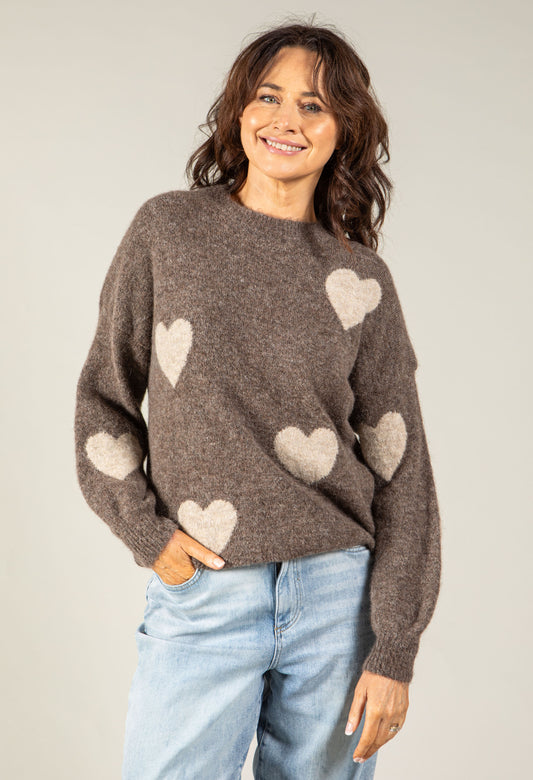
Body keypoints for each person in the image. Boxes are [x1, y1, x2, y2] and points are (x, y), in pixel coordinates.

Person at [74, 19, 442, 780]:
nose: (285, 120)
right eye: (268, 97)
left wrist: (394, 649)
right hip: (209, 585)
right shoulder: (168, 231)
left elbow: (402, 471)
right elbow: (104, 401)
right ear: (240, 110)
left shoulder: (361, 280)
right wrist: (148, 534)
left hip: (339, 601)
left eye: (313, 105)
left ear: (343, 130)